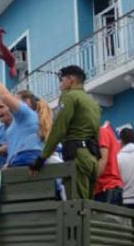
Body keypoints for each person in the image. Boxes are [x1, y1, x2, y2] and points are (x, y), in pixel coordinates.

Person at [31, 65, 101, 199]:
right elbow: (97, 132)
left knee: (76, 206)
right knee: (88, 205)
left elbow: (59, 129)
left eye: (62, 80)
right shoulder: (92, 101)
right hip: (92, 158)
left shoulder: (69, 97)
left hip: (77, 155)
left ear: (71, 80)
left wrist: (42, 158)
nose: (60, 84)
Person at [0, 64, 52, 168]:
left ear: (26, 102)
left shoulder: (26, 113)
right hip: (20, 160)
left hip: (26, 159)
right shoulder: (23, 120)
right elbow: (17, 145)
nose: (13, 102)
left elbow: (5, 96)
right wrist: (8, 164)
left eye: (16, 99)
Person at [94, 125, 124, 205]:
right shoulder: (110, 135)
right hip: (113, 188)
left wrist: (90, 182)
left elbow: (103, 159)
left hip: (106, 189)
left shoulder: (101, 132)